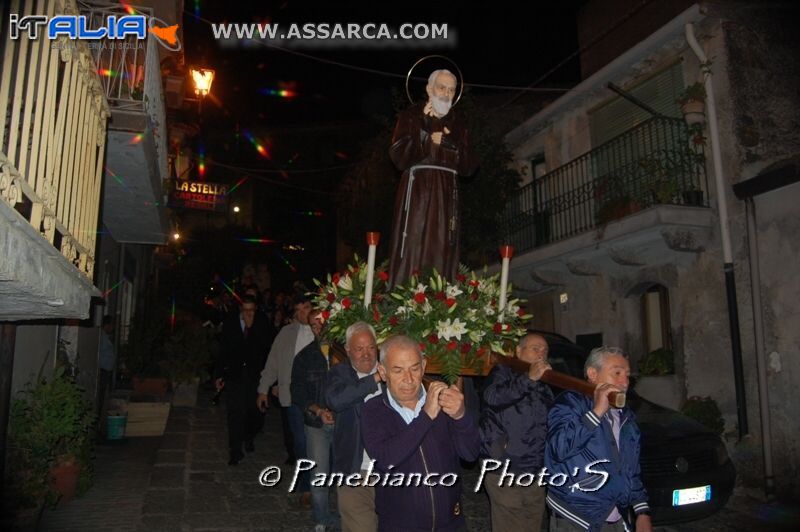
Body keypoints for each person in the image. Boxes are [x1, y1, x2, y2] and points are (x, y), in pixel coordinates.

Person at [361, 335, 481, 531]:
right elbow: (385, 460)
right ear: (382, 372)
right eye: (398, 370)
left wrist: (461, 416)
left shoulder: (444, 402)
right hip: (400, 526)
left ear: (424, 366)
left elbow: (470, 454)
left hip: (451, 523)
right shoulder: (373, 409)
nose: (408, 379)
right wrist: (426, 417)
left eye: (414, 368)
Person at [545, 347, 652, 532]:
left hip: (617, 516)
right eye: (617, 373)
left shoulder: (626, 417)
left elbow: (630, 470)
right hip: (576, 518)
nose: (624, 381)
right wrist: (597, 412)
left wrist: (641, 510)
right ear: (593, 374)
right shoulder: (570, 403)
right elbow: (558, 449)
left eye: (627, 375)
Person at [387, 68, 478, 286]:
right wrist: (425, 136)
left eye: (451, 89)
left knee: (444, 243)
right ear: (429, 89)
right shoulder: (410, 116)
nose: (446, 93)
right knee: (414, 242)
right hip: (419, 189)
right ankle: (408, 293)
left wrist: (447, 142)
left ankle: (441, 294)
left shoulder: (459, 124)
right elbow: (398, 155)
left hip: (447, 192)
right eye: (441, 87)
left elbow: (470, 165)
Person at [479, 333, 553, 532]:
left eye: (545, 350)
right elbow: (493, 397)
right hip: (505, 468)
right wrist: (528, 378)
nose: (541, 353)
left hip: (534, 470)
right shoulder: (503, 371)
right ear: (518, 352)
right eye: (535, 348)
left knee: (532, 523)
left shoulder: (544, 382)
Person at [324, 321, 382, 532]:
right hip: (355, 470)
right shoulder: (340, 373)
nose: (367, 354)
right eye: (359, 349)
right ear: (348, 350)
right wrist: (374, 379)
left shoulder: (393, 371)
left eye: (371, 348)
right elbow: (336, 399)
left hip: (391, 472)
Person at [257, 294, 314, 505]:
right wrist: (264, 388)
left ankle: (323, 480)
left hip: (319, 397)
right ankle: (306, 486)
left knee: (320, 442)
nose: (302, 313)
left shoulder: (323, 330)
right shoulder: (286, 333)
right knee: (301, 441)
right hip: (293, 396)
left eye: (306, 308)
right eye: (298, 310)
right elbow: (273, 362)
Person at [290, 309, 338, 532]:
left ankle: (351, 517)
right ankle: (321, 519)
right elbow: (297, 392)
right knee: (319, 475)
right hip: (316, 424)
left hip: (343, 423)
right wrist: (319, 411)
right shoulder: (304, 356)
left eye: (320, 323)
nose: (317, 328)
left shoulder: (343, 352)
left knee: (349, 474)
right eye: (313, 325)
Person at [214, 295, 271, 465]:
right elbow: (223, 350)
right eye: (245, 310)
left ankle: (249, 437)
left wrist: (251, 328)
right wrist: (219, 374)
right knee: (234, 413)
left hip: (255, 376)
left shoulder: (261, 323)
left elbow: (265, 349)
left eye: (251, 310)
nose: (248, 313)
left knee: (253, 411)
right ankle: (235, 450)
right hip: (235, 375)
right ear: (240, 309)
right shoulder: (231, 323)